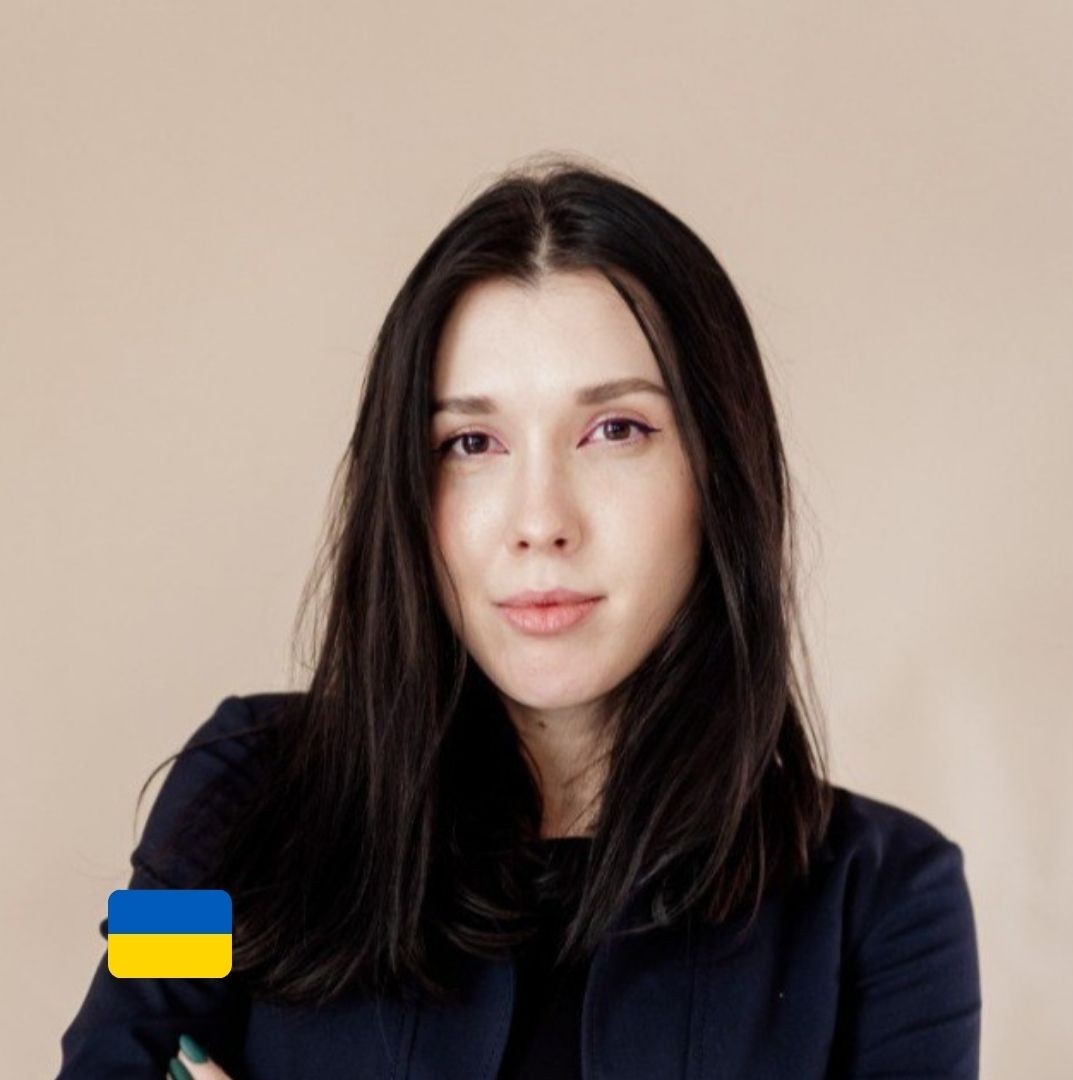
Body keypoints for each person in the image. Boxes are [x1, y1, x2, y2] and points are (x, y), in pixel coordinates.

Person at [57, 157, 982, 1079]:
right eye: (470, 442)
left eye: (615, 430)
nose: (539, 520)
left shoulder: (890, 903)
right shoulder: (227, 796)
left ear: (720, 472)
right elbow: (114, 1052)